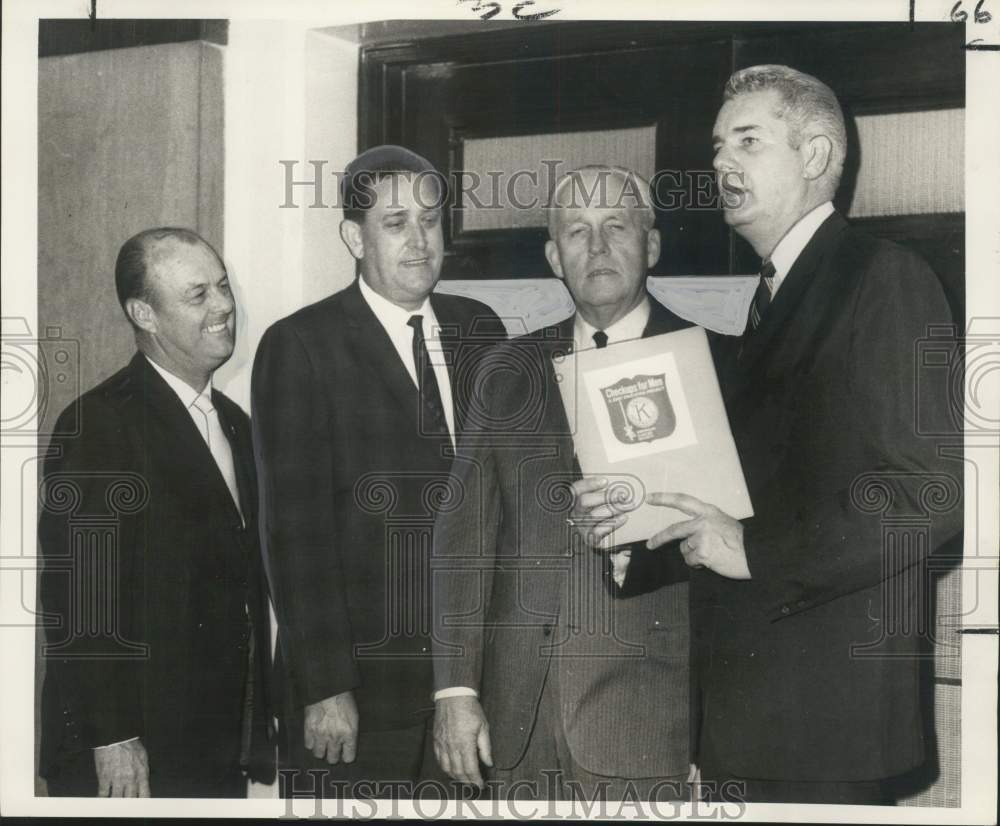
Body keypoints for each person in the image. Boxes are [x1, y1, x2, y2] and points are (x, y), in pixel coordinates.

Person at [612, 65, 963, 804]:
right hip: (755, 717)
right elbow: (759, 493)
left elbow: (927, 498)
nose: (720, 164)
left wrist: (753, 549)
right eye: (716, 147)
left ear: (813, 157)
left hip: (825, 724)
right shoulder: (771, 297)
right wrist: (636, 538)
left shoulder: (885, 278)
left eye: (747, 140)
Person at [432, 165, 694, 802]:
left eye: (616, 227)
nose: (597, 247)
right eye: (577, 231)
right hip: (515, 718)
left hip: (646, 718)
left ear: (651, 245)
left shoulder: (709, 362)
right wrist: (456, 691)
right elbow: (463, 539)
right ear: (554, 256)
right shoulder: (508, 370)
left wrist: (716, 738)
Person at [251, 145, 504, 798]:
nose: (420, 242)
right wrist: (327, 686)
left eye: (430, 220)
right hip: (357, 694)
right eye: (395, 224)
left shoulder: (482, 330)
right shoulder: (301, 345)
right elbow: (294, 533)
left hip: (467, 684)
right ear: (352, 238)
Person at [38, 228, 276, 797]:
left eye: (222, 287)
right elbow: (80, 600)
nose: (224, 306)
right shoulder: (99, 425)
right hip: (132, 757)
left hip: (214, 747)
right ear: (143, 313)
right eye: (198, 295)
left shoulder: (235, 423)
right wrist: (112, 738)